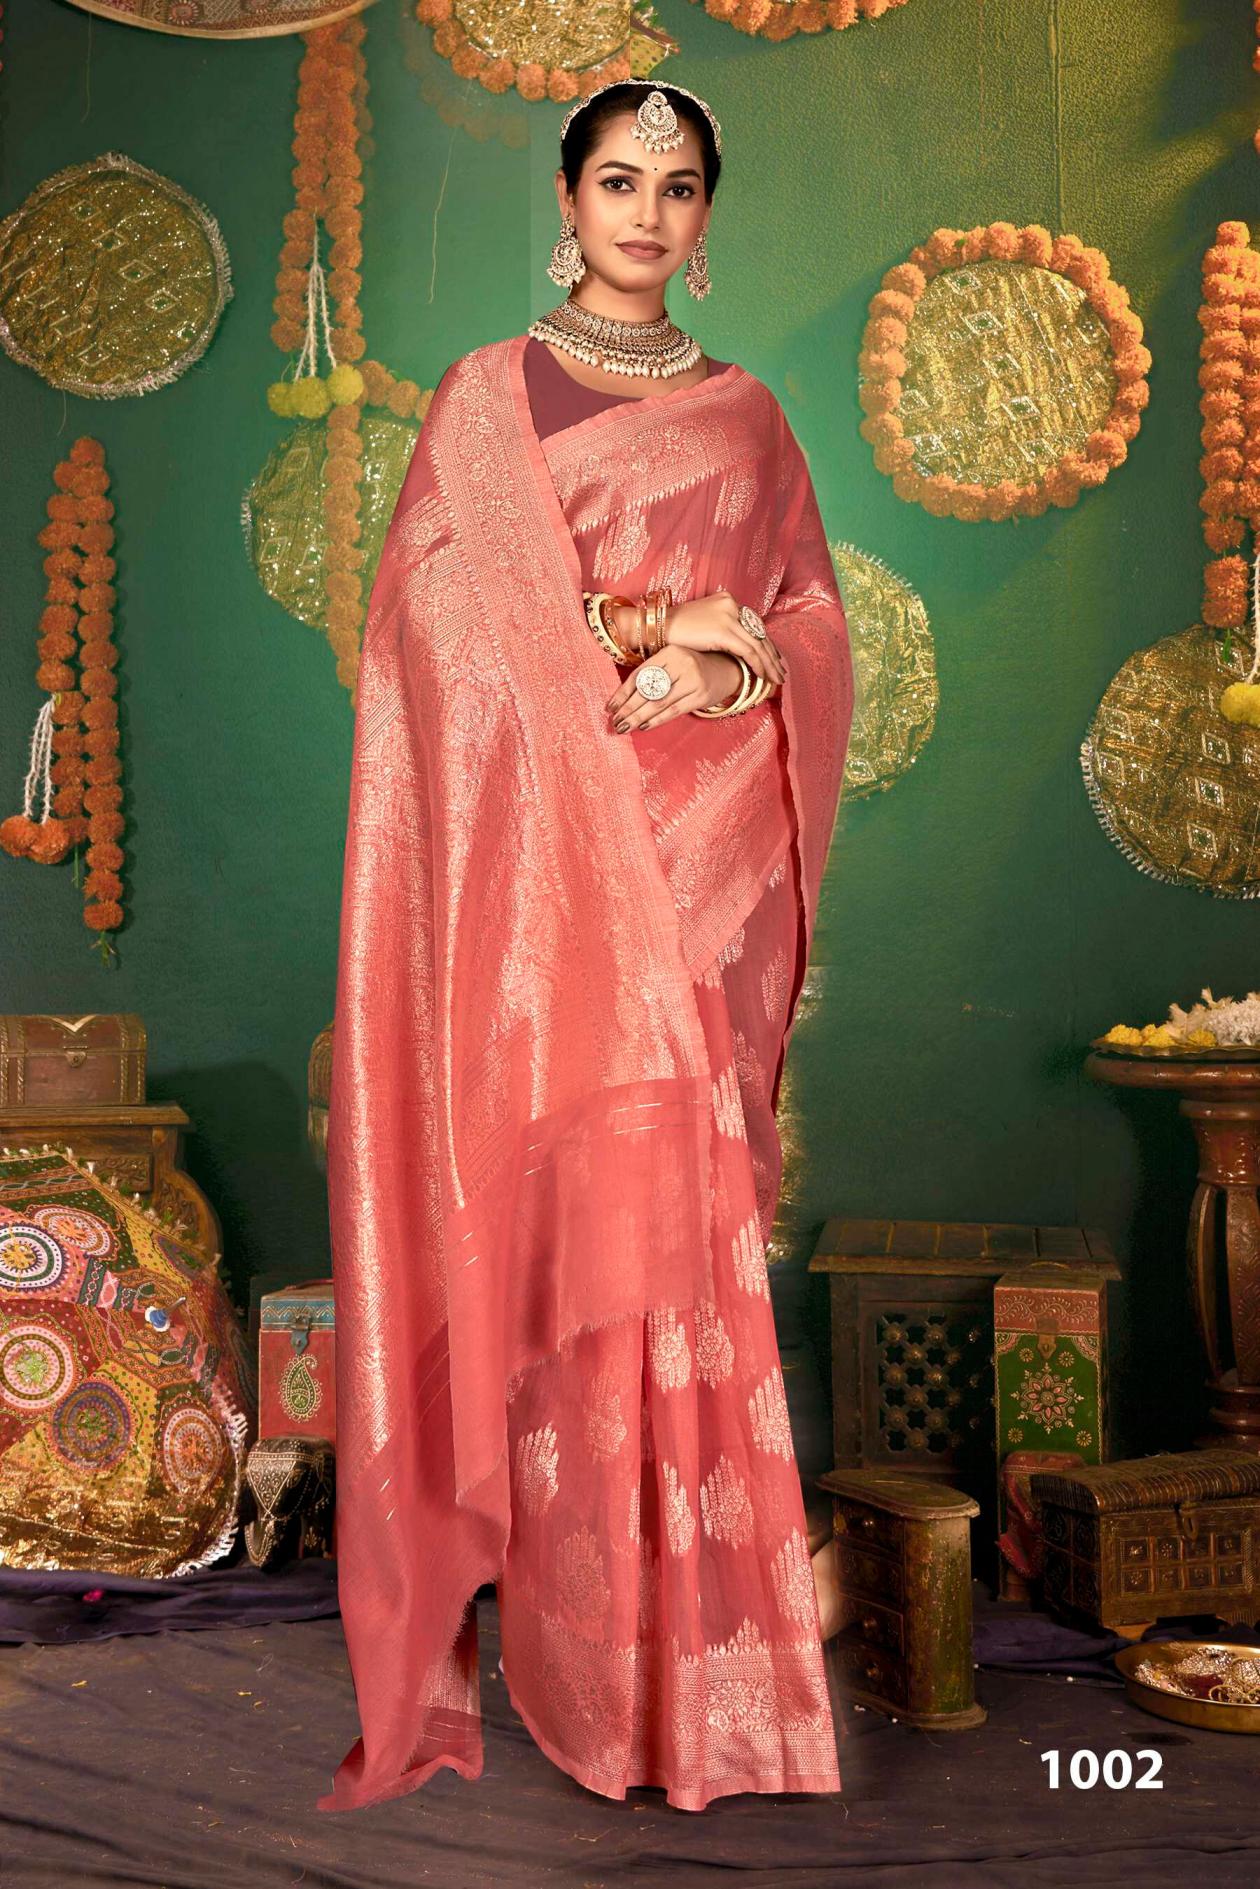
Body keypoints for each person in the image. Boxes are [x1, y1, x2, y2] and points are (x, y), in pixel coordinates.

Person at [320, 78, 855, 1816]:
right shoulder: (486, 400)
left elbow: (810, 620)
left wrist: (726, 660)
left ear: (707, 218)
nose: (647, 212)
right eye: (619, 179)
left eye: (678, 186)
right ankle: (581, 1660)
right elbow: (428, 625)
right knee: (572, 1252)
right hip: (553, 894)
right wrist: (639, 622)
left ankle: (704, 1681)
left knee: (684, 1237)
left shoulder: (750, 418)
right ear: (567, 198)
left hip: (696, 878)